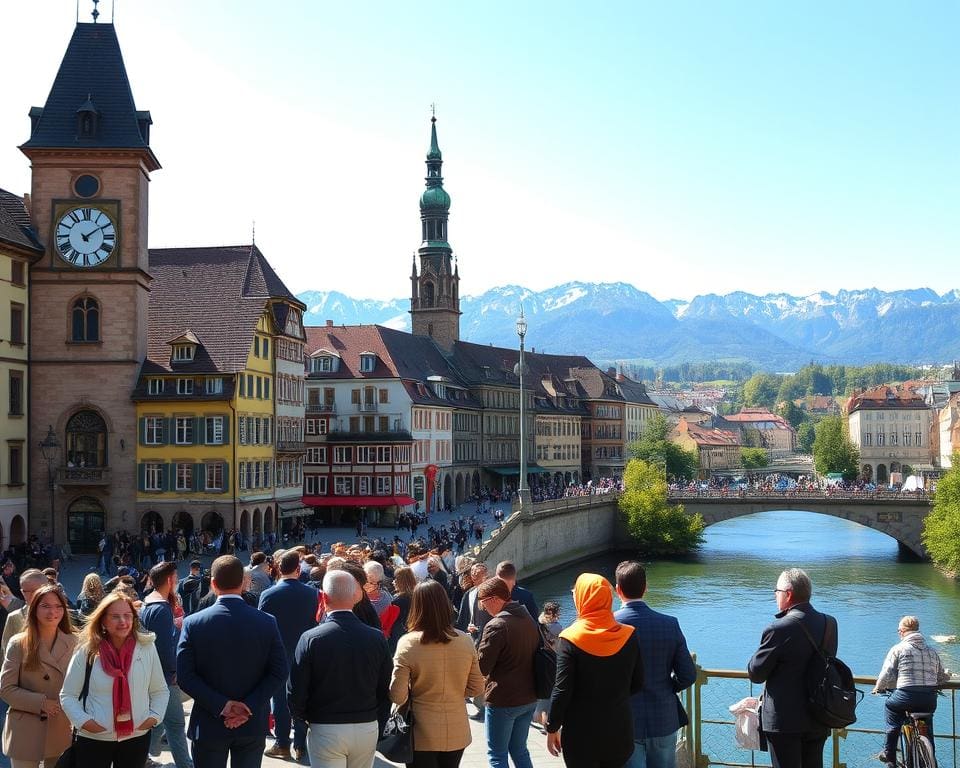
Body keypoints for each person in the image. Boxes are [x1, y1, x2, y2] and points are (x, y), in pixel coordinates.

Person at [176, 555, 287, 768]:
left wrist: (223, 706)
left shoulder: (193, 623)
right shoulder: (267, 622)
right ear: (244, 583)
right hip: (252, 723)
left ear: (213, 584)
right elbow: (279, 672)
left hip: (209, 722)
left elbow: (185, 677)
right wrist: (248, 706)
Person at [287, 570, 392, 768]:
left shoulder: (311, 638)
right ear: (355, 596)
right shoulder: (376, 637)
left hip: (325, 726)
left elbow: (296, 688)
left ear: (323, 597)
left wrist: (303, 719)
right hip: (365, 724)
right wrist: (377, 719)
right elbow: (385, 686)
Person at [60, 591, 169, 768]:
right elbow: (68, 695)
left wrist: (154, 717)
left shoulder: (147, 647)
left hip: (136, 736)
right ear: (103, 620)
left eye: (127, 616)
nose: (123, 622)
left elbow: (159, 690)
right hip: (94, 737)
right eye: (115, 616)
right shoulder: (87, 650)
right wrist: (85, 722)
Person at [546, 573, 644, 768]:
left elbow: (562, 690)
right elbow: (638, 682)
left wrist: (552, 728)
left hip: (581, 737)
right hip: (619, 732)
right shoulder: (629, 635)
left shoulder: (570, 639)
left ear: (583, 599)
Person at [747, 568, 837, 768]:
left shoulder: (778, 628)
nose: (775, 595)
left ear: (788, 594)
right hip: (818, 715)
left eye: (776, 591)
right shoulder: (829, 623)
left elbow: (756, 673)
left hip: (784, 721)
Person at [390, 580, 485, 768]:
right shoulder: (465, 641)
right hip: (457, 729)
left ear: (416, 606)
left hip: (420, 732)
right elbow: (476, 688)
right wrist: (453, 691)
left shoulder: (408, 643)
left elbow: (397, 695)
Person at [614, 560, 697, 768]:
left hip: (625, 719)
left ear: (618, 590)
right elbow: (688, 675)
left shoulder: (610, 626)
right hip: (663, 716)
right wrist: (667, 686)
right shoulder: (669, 624)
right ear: (646, 588)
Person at [0, 584, 77, 768]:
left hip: (60, 724)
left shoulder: (74, 642)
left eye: (58, 606)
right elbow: (6, 688)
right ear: (34, 609)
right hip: (25, 725)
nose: (53, 612)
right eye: (45, 606)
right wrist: (41, 703)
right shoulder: (19, 643)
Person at [258, 549, 319, 763]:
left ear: (277, 568)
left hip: (278, 654)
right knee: (302, 698)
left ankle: (282, 743)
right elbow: (315, 624)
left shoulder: (268, 594)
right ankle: (301, 745)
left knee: (280, 700)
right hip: (304, 653)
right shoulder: (312, 594)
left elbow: (262, 627)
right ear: (298, 569)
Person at [476, 577, 541, 768]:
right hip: (529, 697)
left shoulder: (497, 625)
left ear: (494, 599)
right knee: (520, 750)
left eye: (483, 602)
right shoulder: (528, 618)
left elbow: (483, 667)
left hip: (503, 699)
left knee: (497, 755)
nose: (483, 607)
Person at [871, 615, 951, 767]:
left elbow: (886, 674)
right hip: (928, 699)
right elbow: (941, 676)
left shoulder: (898, 649)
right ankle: (930, 756)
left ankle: (889, 754)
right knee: (926, 725)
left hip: (905, 696)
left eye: (898, 631)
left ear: (902, 631)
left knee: (891, 708)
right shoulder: (932, 651)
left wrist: (878, 688)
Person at [139, 561, 192, 768]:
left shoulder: (148, 602)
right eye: (176, 578)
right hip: (164, 678)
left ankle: (143, 756)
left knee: (160, 723)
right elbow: (163, 647)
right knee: (176, 725)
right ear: (170, 580)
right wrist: (174, 672)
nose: (177, 581)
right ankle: (185, 765)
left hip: (156, 676)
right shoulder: (161, 608)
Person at [1, 570, 49, 657]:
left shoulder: (57, 614)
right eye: (27, 591)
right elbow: (6, 650)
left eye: (36, 590)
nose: (33, 595)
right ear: (22, 592)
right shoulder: (14, 618)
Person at [533, 601, 564, 730]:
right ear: (554, 613)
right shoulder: (557, 627)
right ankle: (547, 723)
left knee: (541, 692)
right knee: (551, 693)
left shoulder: (539, 623)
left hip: (540, 659)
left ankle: (537, 717)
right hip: (553, 660)